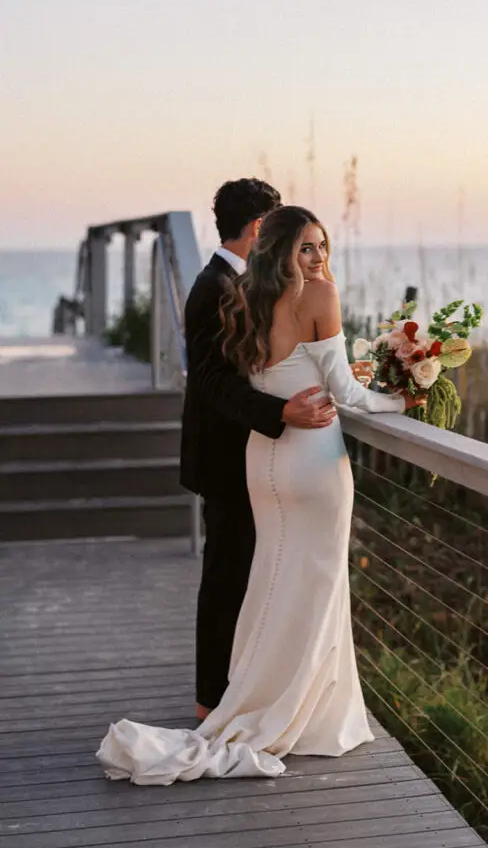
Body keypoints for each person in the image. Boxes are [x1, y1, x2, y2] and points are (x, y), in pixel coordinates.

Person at [98, 205, 420, 784]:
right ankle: (309, 714)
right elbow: (343, 392)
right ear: (281, 249)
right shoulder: (320, 296)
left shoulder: (243, 298)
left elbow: (282, 374)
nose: (319, 258)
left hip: (262, 458)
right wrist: (408, 398)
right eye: (306, 248)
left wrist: (364, 371)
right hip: (315, 461)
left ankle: (253, 697)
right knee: (317, 585)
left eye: (323, 246)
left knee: (271, 581)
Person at [180, 180, 336, 722]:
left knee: (251, 575)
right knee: (227, 579)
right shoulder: (215, 286)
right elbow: (211, 381)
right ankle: (210, 702)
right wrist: (279, 414)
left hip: (253, 458)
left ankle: (243, 690)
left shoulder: (241, 283)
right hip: (227, 461)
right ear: (255, 230)